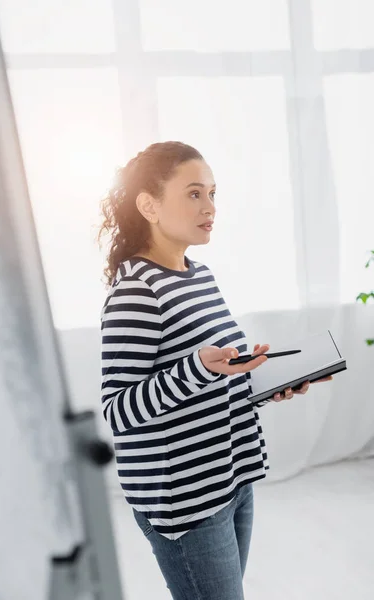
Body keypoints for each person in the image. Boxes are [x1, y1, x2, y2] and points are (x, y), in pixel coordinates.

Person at [97, 141, 332, 600]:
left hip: (230, 474)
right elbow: (118, 412)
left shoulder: (198, 276)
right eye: (193, 194)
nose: (210, 207)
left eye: (213, 193)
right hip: (185, 499)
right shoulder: (136, 292)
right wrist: (198, 368)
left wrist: (265, 384)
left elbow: (214, 382)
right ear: (149, 205)